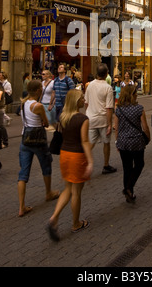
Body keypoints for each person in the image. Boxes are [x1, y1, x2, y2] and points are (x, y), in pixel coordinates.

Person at [47, 90, 93, 241]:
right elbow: (84, 141)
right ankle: (76, 223)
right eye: (81, 98)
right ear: (75, 101)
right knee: (76, 192)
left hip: (65, 155)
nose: (83, 99)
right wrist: (90, 161)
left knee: (67, 188)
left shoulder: (63, 117)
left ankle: (54, 217)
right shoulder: (83, 118)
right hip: (77, 156)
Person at [18, 80, 59, 217]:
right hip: (38, 140)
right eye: (40, 89)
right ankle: (48, 192)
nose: (42, 90)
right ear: (37, 91)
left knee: (23, 173)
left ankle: (21, 206)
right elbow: (46, 123)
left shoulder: (23, 103)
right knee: (46, 165)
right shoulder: (38, 106)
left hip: (25, 139)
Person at [115, 85, 150, 203]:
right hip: (136, 142)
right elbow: (145, 127)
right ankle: (129, 188)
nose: (136, 95)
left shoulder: (118, 109)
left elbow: (117, 127)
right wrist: (148, 138)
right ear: (131, 94)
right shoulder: (139, 108)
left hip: (123, 142)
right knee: (139, 164)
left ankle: (128, 192)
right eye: (135, 93)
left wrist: (117, 142)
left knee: (127, 167)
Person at [84, 63, 116, 174]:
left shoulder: (90, 85)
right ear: (107, 73)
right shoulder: (108, 88)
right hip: (102, 119)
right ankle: (106, 165)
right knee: (106, 143)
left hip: (90, 118)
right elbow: (108, 108)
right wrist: (109, 124)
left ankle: (81, 160)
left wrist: (88, 113)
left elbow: (86, 103)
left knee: (90, 142)